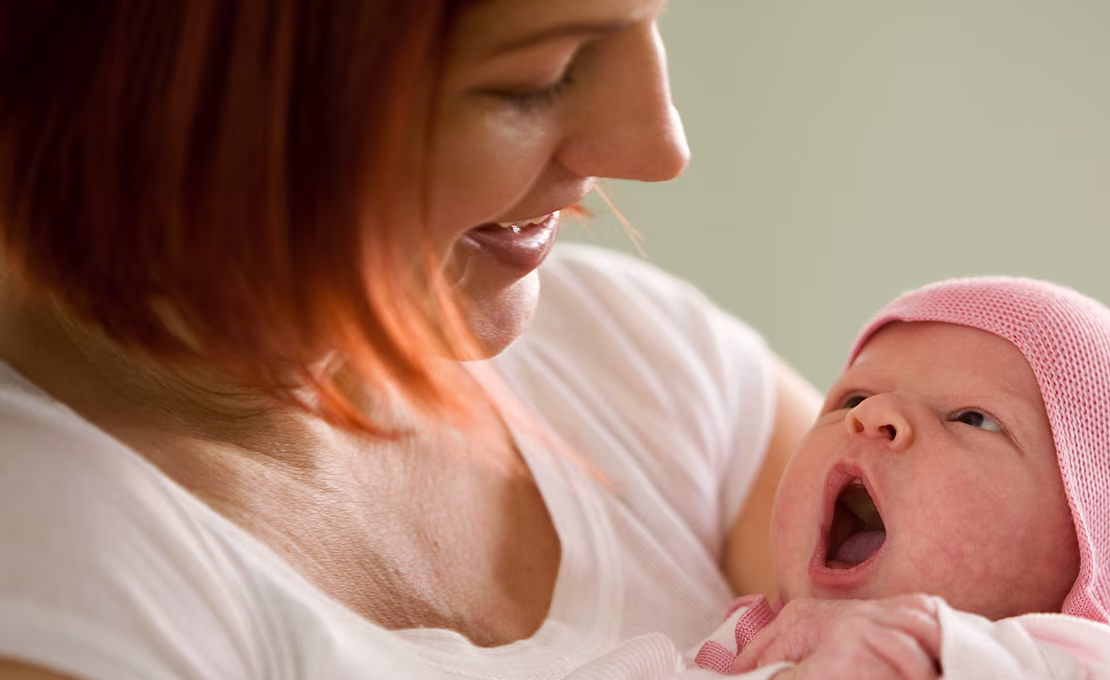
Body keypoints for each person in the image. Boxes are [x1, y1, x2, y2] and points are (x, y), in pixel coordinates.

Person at [0, 1, 840, 678]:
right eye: (536, 78)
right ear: (185, 97)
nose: (660, 148)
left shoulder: (643, 358)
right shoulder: (60, 578)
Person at [686, 277, 1110, 678]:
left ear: (1086, 566)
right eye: (853, 397)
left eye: (971, 418)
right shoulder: (731, 647)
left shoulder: (1075, 663)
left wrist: (934, 649)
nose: (874, 414)